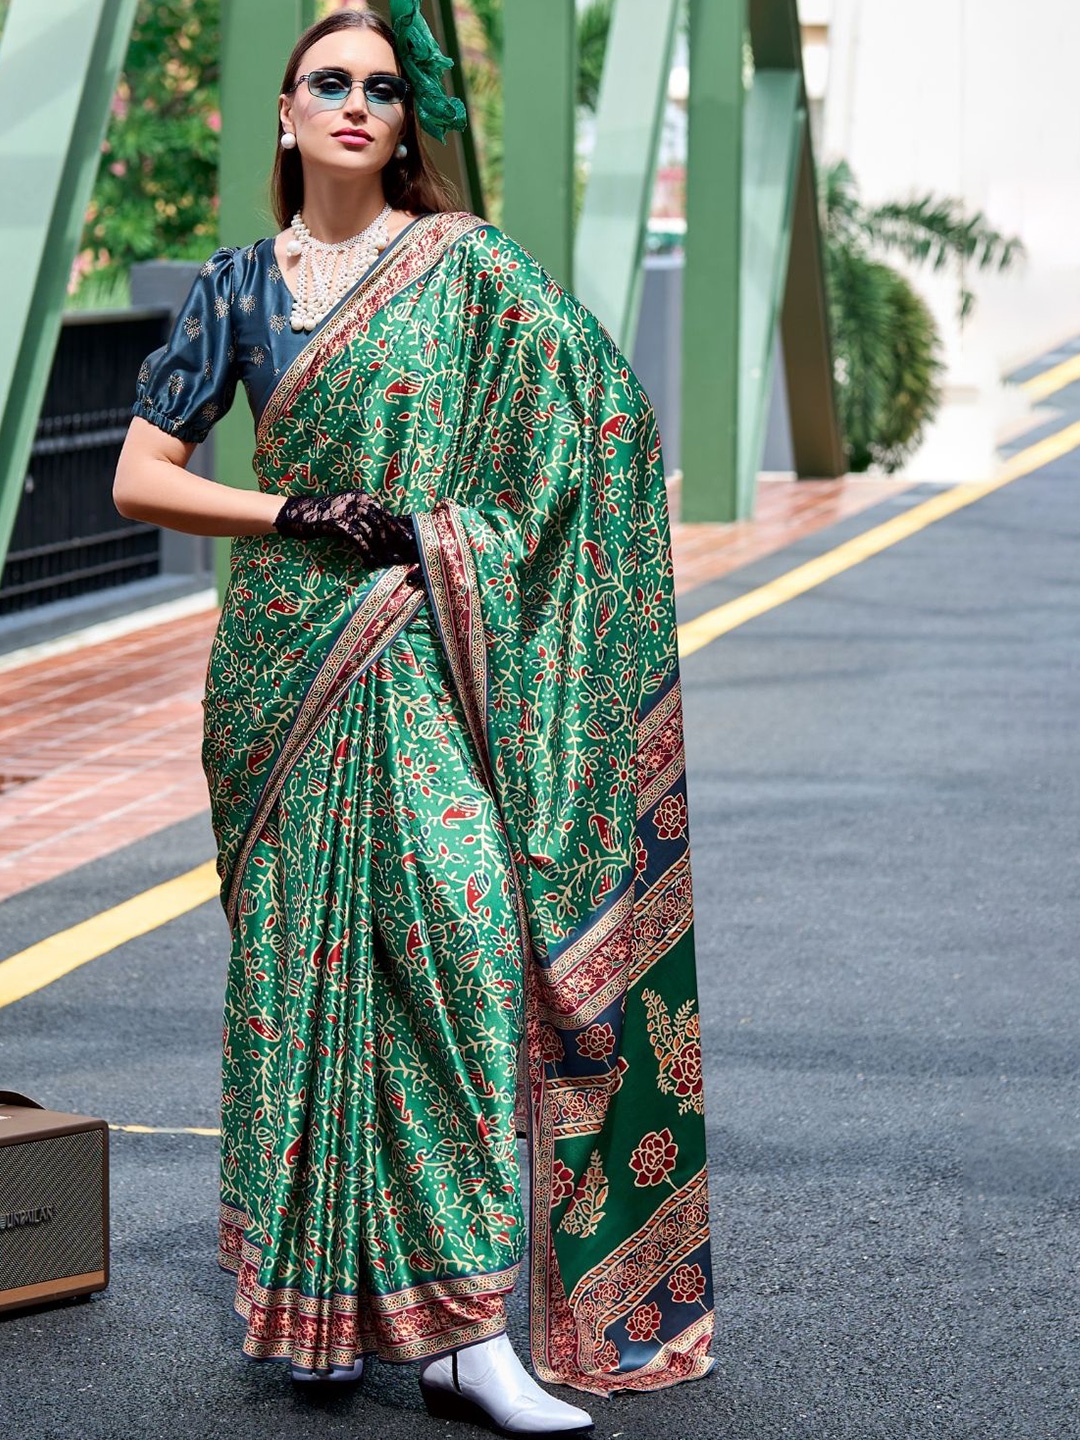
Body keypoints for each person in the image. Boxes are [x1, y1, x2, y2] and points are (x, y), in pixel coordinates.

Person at [114, 4, 716, 1433]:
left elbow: (599, 420)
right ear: (283, 112)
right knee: (303, 984)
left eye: (384, 87)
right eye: (329, 80)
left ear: (405, 122)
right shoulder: (239, 289)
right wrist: (295, 509)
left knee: (455, 947)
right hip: (283, 677)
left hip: (419, 658)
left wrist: (466, 530)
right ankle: (332, 1311)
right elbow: (143, 475)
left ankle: (468, 1332)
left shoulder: (469, 271)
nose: (356, 103)